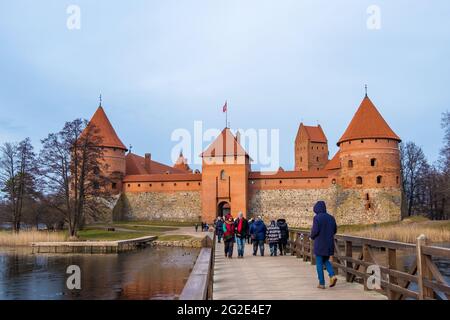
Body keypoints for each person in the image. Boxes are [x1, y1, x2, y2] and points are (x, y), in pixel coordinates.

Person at [310, 201, 338, 289]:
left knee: (319, 263)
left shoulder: (317, 218)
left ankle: (321, 283)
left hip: (320, 244)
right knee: (326, 260)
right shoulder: (331, 218)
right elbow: (335, 230)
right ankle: (332, 275)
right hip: (329, 243)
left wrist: (312, 236)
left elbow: (315, 231)